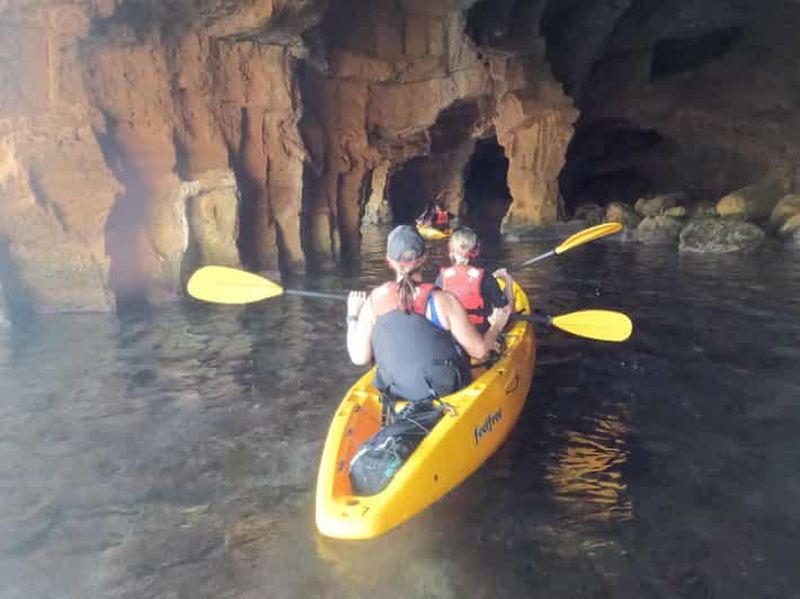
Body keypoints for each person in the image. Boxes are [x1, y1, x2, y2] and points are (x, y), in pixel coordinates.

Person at [346, 225, 511, 403]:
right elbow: (479, 351)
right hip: (443, 390)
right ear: (424, 258)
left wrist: (352, 315)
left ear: (389, 260)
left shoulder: (373, 302)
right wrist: (497, 325)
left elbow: (358, 357)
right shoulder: (444, 300)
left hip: (395, 389)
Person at [436, 227, 514, 332]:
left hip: (451, 336)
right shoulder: (485, 278)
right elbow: (506, 311)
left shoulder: (441, 278)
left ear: (451, 249)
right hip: (479, 335)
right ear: (477, 251)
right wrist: (508, 281)